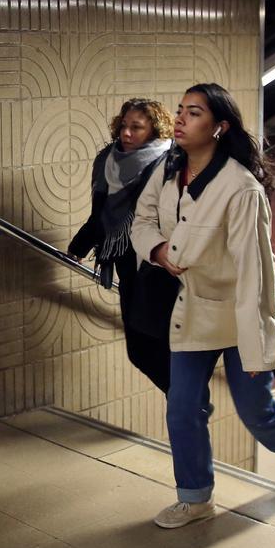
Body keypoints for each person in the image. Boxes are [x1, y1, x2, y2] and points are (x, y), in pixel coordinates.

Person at [130, 83, 275, 529]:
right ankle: (195, 497)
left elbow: (255, 273)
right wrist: (158, 250)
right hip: (192, 309)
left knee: (255, 411)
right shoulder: (167, 167)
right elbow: (142, 220)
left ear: (219, 127)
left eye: (193, 113)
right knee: (182, 406)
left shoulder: (241, 187)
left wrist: (258, 348)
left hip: (239, 313)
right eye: (180, 110)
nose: (179, 119)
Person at [69, 98, 173, 392]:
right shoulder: (108, 160)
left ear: (154, 130)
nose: (126, 133)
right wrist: (79, 246)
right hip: (127, 263)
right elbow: (101, 214)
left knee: (157, 342)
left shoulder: (168, 164)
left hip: (156, 265)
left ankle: (187, 401)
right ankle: (187, 397)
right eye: (124, 126)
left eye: (136, 127)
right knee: (138, 351)